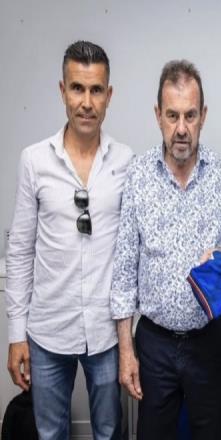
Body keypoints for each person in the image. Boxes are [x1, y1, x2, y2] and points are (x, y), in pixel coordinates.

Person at [110, 60, 221, 440]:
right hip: (154, 345)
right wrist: (126, 351)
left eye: (190, 115)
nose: (182, 128)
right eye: (172, 116)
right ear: (158, 116)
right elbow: (124, 268)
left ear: (203, 116)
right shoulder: (138, 176)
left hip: (209, 341)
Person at [6, 40, 133, 440]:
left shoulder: (126, 162)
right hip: (47, 329)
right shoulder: (34, 161)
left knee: (109, 432)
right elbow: (20, 250)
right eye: (77, 88)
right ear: (62, 91)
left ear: (109, 95)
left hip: (106, 332)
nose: (86, 102)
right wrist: (16, 334)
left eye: (96, 90)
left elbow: (133, 250)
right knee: (50, 433)